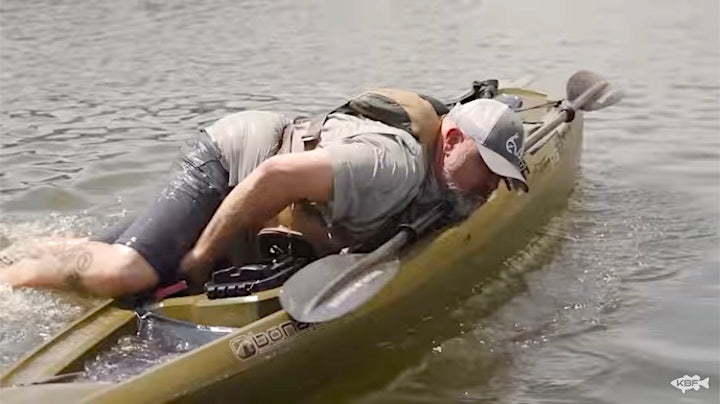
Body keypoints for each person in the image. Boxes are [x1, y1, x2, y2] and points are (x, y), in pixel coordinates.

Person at [0, 90, 528, 297]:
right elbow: (272, 179)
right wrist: (203, 257)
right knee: (128, 274)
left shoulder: (452, 184)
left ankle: (26, 246)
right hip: (235, 160)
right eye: (490, 169)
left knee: (130, 253)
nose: (493, 187)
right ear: (453, 139)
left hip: (264, 184)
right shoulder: (388, 166)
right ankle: (11, 277)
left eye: (504, 178)